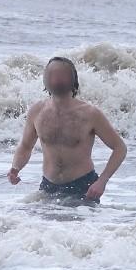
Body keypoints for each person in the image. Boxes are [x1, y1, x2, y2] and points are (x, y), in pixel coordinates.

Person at [9, 57, 126, 203]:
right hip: (48, 188)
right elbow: (26, 146)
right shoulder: (37, 111)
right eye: (51, 75)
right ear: (45, 79)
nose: (57, 80)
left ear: (73, 79)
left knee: (79, 226)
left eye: (62, 75)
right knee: (28, 220)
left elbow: (119, 148)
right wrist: (16, 168)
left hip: (83, 187)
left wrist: (102, 181)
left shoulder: (90, 114)